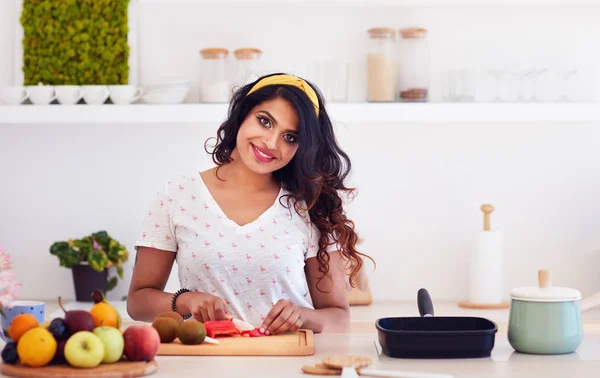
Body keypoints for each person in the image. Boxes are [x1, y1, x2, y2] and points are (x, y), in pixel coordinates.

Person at [127, 73, 372, 335]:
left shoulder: (310, 207)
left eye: (290, 137)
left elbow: (339, 317)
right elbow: (138, 302)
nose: (271, 142)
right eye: (265, 121)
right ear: (243, 114)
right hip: (204, 362)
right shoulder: (177, 195)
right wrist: (185, 301)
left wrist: (302, 316)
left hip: (287, 364)